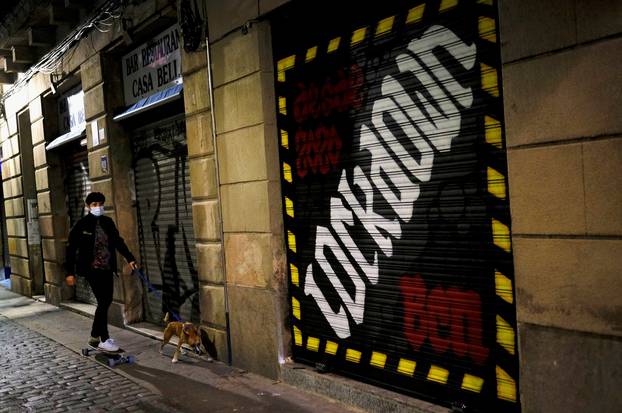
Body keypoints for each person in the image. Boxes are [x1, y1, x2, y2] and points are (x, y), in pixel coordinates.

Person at [65, 192, 137, 351]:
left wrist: (130, 258)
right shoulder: (82, 225)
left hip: (107, 268)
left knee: (107, 300)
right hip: (91, 270)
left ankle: (93, 336)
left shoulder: (108, 222)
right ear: (88, 207)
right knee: (103, 301)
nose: (98, 207)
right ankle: (104, 339)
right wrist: (69, 272)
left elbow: (118, 242)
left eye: (100, 204)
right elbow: (71, 249)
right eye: (94, 205)